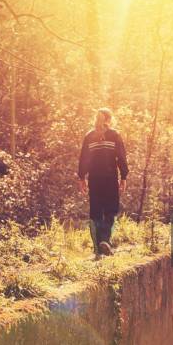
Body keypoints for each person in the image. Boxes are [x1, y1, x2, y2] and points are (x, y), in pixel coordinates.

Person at [78, 108, 128, 258]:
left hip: (94, 179)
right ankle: (105, 240)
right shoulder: (114, 135)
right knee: (110, 210)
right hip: (110, 178)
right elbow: (121, 158)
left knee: (95, 212)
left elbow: (84, 159)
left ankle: (98, 249)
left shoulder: (89, 136)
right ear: (109, 119)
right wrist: (123, 177)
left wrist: (82, 177)